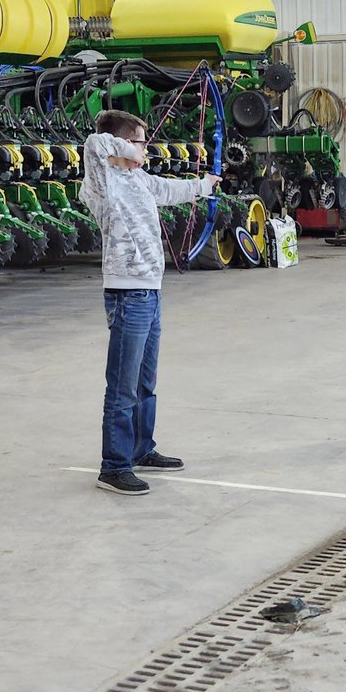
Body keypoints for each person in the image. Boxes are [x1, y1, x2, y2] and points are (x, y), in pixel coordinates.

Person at [80, 109, 220, 495]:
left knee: (145, 382)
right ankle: (114, 466)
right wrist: (130, 148)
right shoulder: (102, 180)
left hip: (150, 291)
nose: (146, 149)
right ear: (125, 143)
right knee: (122, 386)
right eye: (141, 142)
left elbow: (167, 190)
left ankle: (141, 449)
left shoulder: (137, 178)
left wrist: (205, 184)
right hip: (127, 294)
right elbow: (95, 142)